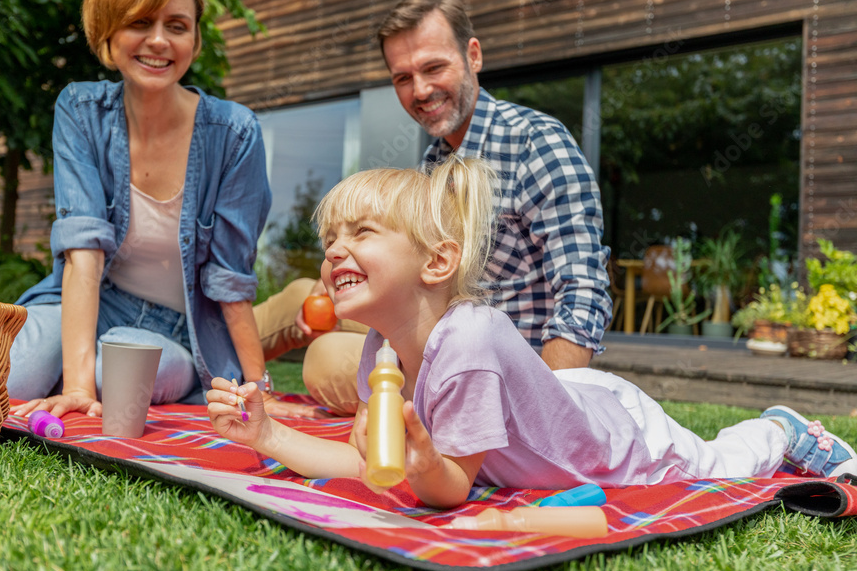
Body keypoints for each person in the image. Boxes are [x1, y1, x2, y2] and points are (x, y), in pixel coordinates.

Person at [211, 157, 856, 509]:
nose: (334, 254)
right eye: (330, 242)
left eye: (360, 235)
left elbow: (446, 492)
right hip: (564, 396)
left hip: (618, 434)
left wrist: (429, 463)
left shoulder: (464, 343)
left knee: (717, 463)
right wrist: (267, 433)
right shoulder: (382, 350)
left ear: (436, 263)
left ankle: (782, 429)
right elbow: (369, 465)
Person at [254, 0, 611, 416]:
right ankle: (209, 363)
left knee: (326, 358)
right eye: (403, 78)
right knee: (304, 293)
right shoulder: (434, 161)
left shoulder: (535, 142)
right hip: (434, 333)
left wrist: (551, 410)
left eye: (433, 67)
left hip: (493, 369)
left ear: (473, 56)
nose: (420, 90)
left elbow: (583, 286)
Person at [9, 0, 271, 420]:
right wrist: (76, 387)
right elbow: (83, 254)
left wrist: (260, 390)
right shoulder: (81, 111)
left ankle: (105, 366)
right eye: (139, 22)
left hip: (178, 331)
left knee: (120, 371)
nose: (158, 41)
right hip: (93, 303)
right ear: (108, 32)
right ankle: (69, 366)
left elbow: (231, 281)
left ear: (194, 38)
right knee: (17, 371)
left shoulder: (235, 133)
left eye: (176, 25)